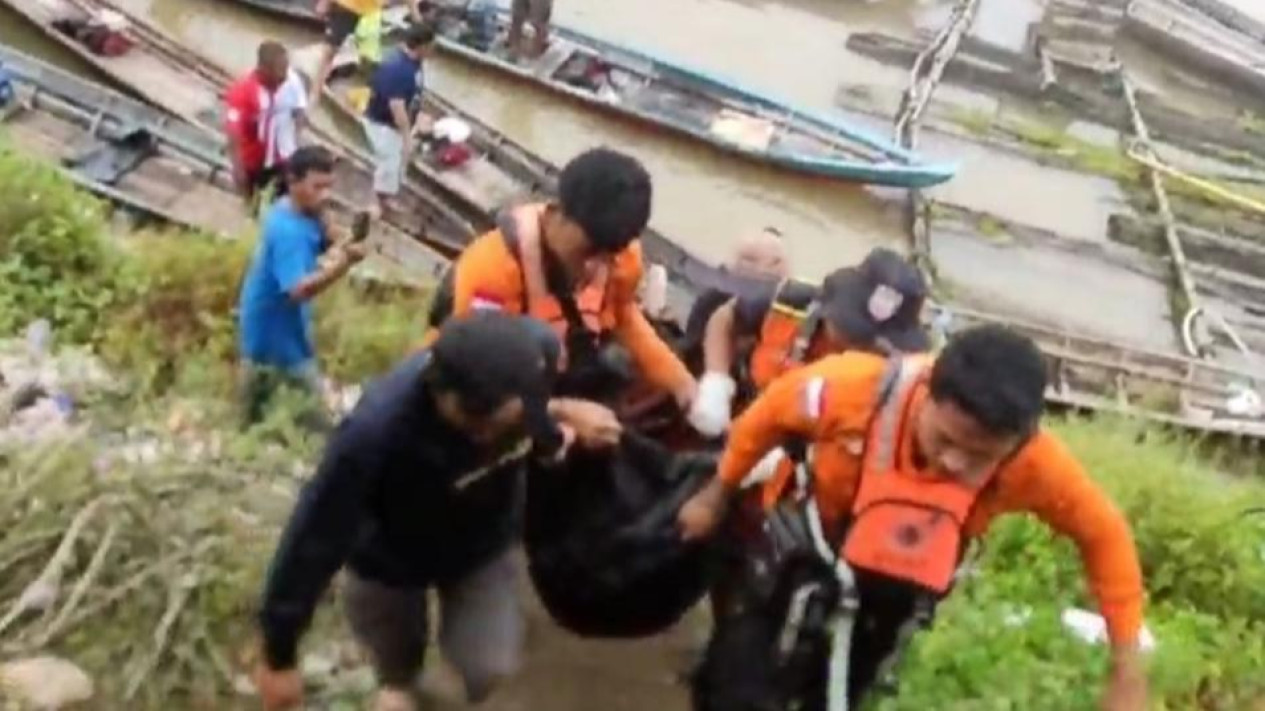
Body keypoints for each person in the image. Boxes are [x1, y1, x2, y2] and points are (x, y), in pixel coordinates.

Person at [678, 325, 1148, 711]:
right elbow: (764, 419)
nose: (955, 464)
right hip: (801, 557)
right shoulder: (846, 389)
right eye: (944, 440)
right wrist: (714, 496)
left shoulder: (1035, 465)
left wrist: (1126, 671)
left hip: (896, 593)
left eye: (980, 456)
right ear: (925, 396)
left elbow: (1104, 536)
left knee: (837, 695)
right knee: (734, 688)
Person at [252, 312, 623, 711]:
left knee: (489, 664)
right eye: (479, 427)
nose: (489, 439)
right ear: (443, 396)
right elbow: (314, 537)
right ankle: (400, 687)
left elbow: (538, 413)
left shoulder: (532, 356)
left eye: (510, 422)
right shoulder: (373, 435)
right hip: (388, 559)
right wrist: (279, 654)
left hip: (482, 544)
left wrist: (561, 421)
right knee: (397, 673)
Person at [427, 147, 698, 413]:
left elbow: (624, 317)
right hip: (483, 385)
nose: (597, 267)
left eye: (611, 253)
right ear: (558, 213)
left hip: (563, 363)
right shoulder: (491, 272)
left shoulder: (623, 257)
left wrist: (679, 380)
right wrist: (562, 414)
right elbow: (470, 379)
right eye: (589, 250)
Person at [688, 247, 930, 438]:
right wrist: (716, 381)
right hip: (740, 415)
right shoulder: (791, 301)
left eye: (869, 341)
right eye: (851, 329)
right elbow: (726, 317)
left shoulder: (903, 376)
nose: (855, 346)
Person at [237, 146, 366, 428]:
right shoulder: (287, 231)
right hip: (272, 334)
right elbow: (297, 291)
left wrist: (345, 237)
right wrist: (343, 264)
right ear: (293, 182)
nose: (325, 195)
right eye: (317, 187)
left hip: (281, 326)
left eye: (329, 187)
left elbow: (326, 234)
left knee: (254, 409)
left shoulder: (302, 209)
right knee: (319, 421)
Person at [361, 24, 436, 219]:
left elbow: (413, 95)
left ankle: (387, 197)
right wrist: (406, 136)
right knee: (389, 160)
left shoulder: (414, 64)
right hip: (383, 123)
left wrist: (418, 116)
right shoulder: (399, 69)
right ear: (422, 47)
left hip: (399, 122)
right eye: (432, 46)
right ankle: (374, 202)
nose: (434, 50)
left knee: (400, 162)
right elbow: (397, 107)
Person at [224, 41, 309, 202]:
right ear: (264, 69)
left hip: (284, 157)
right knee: (253, 203)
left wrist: (298, 133)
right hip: (254, 160)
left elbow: (300, 109)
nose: (284, 76)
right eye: (280, 71)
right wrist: (238, 169)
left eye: (286, 68)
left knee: (287, 202)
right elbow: (233, 133)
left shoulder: (292, 80)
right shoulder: (244, 92)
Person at [308, 0, 421, 108]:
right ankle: (315, 92)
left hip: (371, 13)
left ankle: (359, 98)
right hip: (347, 6)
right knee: (329, 51)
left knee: (369, 58)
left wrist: (418, 20)